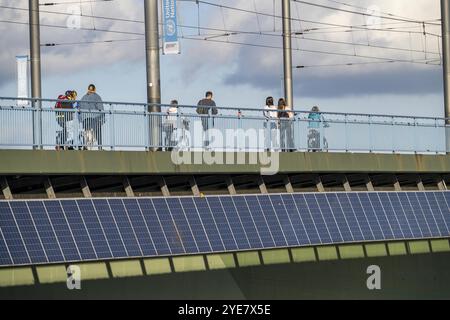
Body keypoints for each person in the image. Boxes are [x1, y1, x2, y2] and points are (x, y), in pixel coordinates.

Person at [79, 84, 104, 150]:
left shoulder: (83, 97)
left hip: (85, 118)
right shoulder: (97, 97)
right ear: (94, 89)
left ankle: (86, 146)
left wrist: (81, 119)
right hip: (94, 118)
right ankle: (100, 148)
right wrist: (102, 119)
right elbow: (100, 108)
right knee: (97, 133)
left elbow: (79, 108)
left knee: (87, 132)